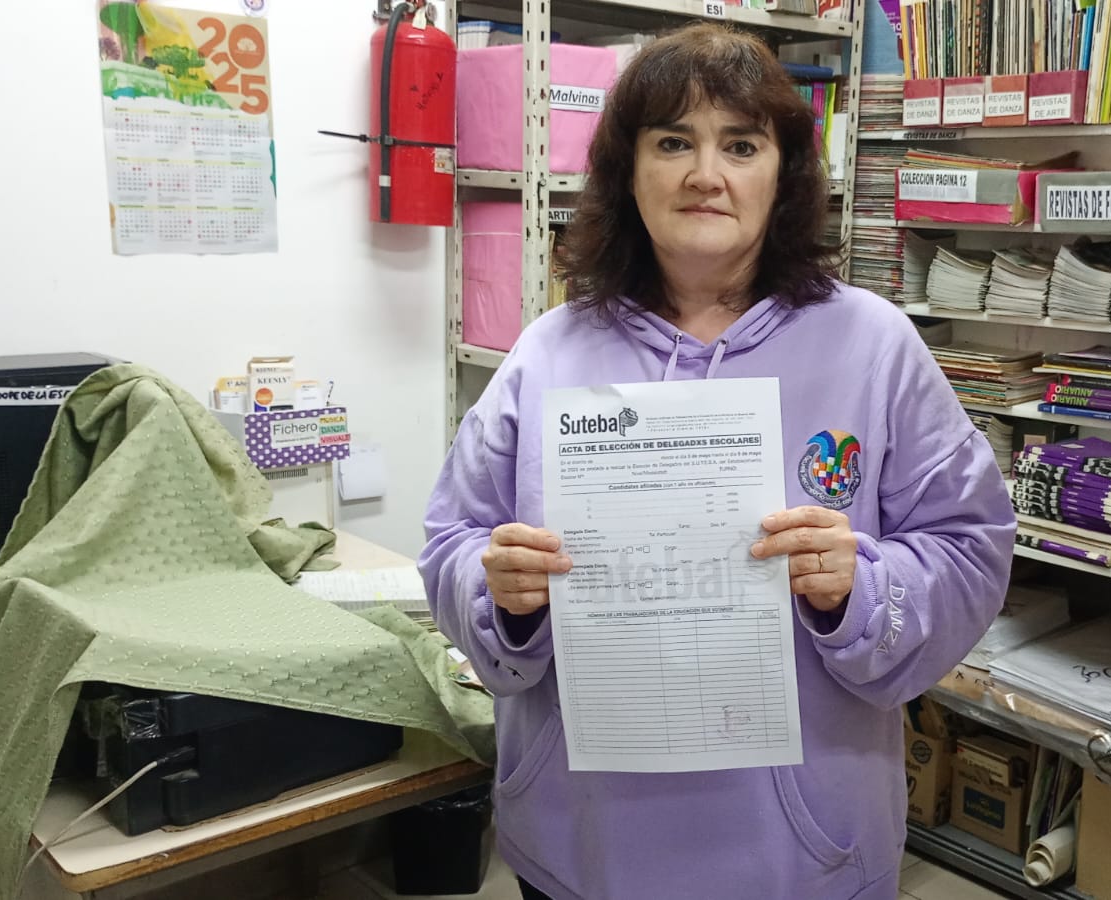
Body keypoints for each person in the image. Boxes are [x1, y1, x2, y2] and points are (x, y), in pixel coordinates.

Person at [419, 23, 1016, 900]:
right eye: (673, 143)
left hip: (801, 856)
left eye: (741, 145)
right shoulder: (549, 351)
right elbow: (451, 539)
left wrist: (859, 586)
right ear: (627, 170)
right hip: (583, 844)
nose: (707, 174)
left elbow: (972, 548)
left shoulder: (874, 346)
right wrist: (496, 591)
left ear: (785, 174)